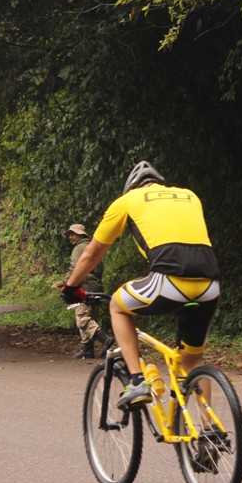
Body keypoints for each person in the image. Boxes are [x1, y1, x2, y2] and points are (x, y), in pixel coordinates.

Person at [60, 161, 220, 409]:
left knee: (117, 305)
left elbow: (92, 253)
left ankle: (137, 382)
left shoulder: (128, 201)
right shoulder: (189, 196)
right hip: (210, 285)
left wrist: (70, 288)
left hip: (168, 280)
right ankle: (210, 427)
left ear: (131, 187)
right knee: (193, 360)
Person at [51, 223, 111, 359]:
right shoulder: (93, 246)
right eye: (69, 234)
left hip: (83, 287)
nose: (70, 237)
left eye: (73, 234)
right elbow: (99, 269)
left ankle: (105, 339)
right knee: (90, 317)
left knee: (82, 319)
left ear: (80, 235)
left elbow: (74, 269)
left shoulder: (79, 248)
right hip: (95, 286)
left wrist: (63, 283)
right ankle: (87, 349)